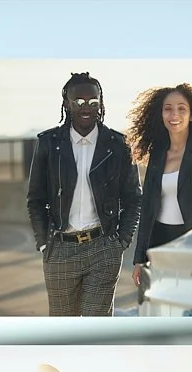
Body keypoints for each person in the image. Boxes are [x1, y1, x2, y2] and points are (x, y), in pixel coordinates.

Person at [25, 72, 140, 317]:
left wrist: (120, 242)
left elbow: (133, 198)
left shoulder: (118, 145)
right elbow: (35, 199)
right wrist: (44, 244)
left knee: (95, 329)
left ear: (101, 103)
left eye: (92, 101)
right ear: (66, 103)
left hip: (103, 247)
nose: (85, 107)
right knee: (62, 329)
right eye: (78, 101)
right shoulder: (48, 143)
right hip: (60, 248)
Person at [124, 83, 192, 290]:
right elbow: (148, 209)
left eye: (181, 108)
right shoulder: (158, 153)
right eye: (168, 108)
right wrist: (139, 258)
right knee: (160, 307)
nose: (174, 114)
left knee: (190, 304)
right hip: (158, 244)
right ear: (160, 114)